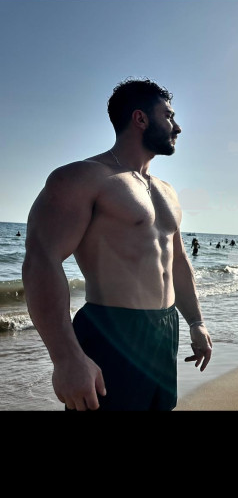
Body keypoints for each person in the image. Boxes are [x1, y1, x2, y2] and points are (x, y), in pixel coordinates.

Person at [21, 77, 212, 411]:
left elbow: (178, 261)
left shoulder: (167, 191)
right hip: (112, 331)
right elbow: (41, 261)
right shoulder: (83, 177)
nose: (177, 127)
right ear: (140, 118)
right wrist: (66, 358)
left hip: (165, 330)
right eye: (168, 116)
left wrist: (196, 322)